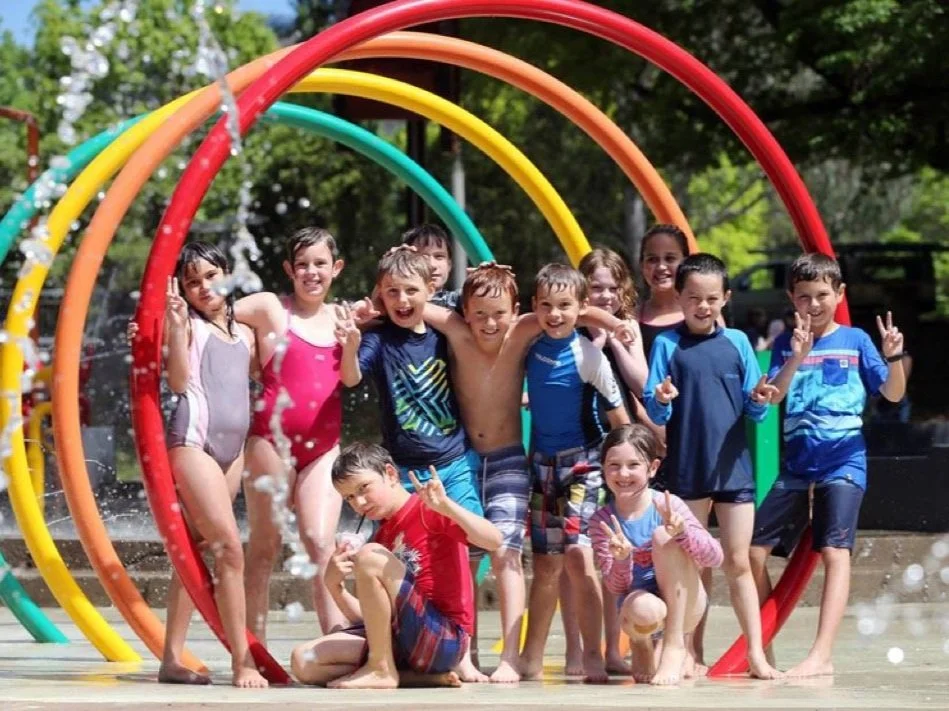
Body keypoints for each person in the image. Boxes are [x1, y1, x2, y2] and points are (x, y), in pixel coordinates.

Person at [421, 262, 633, 683]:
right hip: (512, 463)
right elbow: (410, 300)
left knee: (555, 553)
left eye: (499, 313)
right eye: (478, 313)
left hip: (554, 461)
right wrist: (364, 308)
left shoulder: (526, 334)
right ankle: (491, 655)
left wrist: (608, 319)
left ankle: (562, 654)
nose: (488, 322)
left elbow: (567, 312)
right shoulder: (462, 330)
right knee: (542, 560)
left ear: (516, 310)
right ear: (464, 311)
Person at [751, 253, 906, 678]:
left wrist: (893, 358)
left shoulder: (855, 340)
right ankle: (765, 646)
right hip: (797, 465)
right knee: (751, 552)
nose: (814, 304)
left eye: (822, 295)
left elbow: (892, 396)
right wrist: (796, 357)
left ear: (839, 294)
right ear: (791, 299)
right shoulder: (786, 341)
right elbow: (776, 396)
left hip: (843, 459)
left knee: (835, 551)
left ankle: (822, 654)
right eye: (804, 297)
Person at [347, 245, 486, 680]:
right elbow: (350, 377)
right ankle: (399, 649)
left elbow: (476, 334)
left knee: (469, 549)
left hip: (452, 460)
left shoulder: (443, 335)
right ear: (381, 295)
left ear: (431, 289)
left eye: (411, 291)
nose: (403, 301)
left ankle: (462, 650)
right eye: (393, 293)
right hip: (403, 471)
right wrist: (354, 336)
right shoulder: (380, 339)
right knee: (400, 556)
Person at [643, 253, 782, 680]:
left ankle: (756, 653)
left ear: (725, 298)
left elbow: (753, 409)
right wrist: (662, 399)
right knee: (694, 563)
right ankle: (689, 650)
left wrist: (759, 401)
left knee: (738, 561)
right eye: (693, 298)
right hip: (688, 470)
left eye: (711, 298)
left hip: (733, 470)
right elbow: (655, 408)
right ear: (680, 298)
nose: (702, 306)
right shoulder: (668, 344)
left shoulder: (738, 342)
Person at [136, 241, 266, 688]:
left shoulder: (246, 332)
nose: (203, 287)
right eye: (193, 282)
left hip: (233, 452)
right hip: (193, 444)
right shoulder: (188, 325)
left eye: (210, 276)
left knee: (194, 552)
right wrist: (173, 328)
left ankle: (171, 660)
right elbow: (175, 381)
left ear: (227, 275)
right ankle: (242, 661)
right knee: (230, 548)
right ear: (184, 292)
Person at [290, 442, 503, 689]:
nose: (358, 502)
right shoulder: (382, 537)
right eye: (349, 497)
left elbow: (494, 540)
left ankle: (381, 670)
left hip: (444, 641)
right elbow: (372, 619)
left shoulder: (428, 510)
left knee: (369, 556)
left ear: (390, 474)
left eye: (363, 488)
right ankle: (416, 678)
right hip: (404, 643)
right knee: (303, 661)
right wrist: (335, 586)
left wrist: (448, 508)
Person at [235, 227, 359, 643]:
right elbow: (216, 309)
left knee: (321, 542)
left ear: (336, 268)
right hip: (272, 444)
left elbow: (401, 302)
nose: (311, 272)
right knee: (265, 548)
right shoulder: (272, 309)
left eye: (320, 264)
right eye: (302, 264)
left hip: (323, 450)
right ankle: (254, 647)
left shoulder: (344, 318)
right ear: (289, 269)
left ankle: (337, 639)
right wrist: (248, 346)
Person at [517, 263, 631, 684]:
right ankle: (530, 657)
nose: (555, 314)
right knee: (546, 565)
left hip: (584, 464)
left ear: (580, 309)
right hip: (543, 467)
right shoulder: (528, 345)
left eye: (565, 306)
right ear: (534, 307)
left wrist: (626, 474)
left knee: (581, 556)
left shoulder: (588, 354)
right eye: (545, 305)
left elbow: (619, 417)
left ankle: (593, 653)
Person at [591, 424, 723, 685]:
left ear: (652, 468)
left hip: (685, 606)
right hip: (640, 612)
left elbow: (716, 558)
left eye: (633, 465)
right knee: (643, 606)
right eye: (614, 465)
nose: (623, 473)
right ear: (603, 468)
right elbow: (616, 588)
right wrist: (622, 560)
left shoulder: (668, 505)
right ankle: (641, 643)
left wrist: (683, 533)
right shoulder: (602, 521)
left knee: (664, 536)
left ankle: (675, 646)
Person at [577, 247, 651, 674]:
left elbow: (639, 380)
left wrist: (615, 340)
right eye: (595, 288)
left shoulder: (627, 328)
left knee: (618, 555)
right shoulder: (568, 325)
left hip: (619, 450)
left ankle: (617, 648)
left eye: (611, 288)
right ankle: (585, 649)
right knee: (584, 555)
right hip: (582, 450)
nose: (603, 296)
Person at [637, 224, 690, 362]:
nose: (661, 266)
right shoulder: (631, 318)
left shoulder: (704, 314)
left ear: (685, 262)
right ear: (642, 265)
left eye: (670, 258)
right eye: (652, 259)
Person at [402, 223, 460, 311]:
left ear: (449, 265)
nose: (432, 265)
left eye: (439, 256)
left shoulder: (461, 301)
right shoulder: (395, 299)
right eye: (423, 258)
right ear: (406, 264)